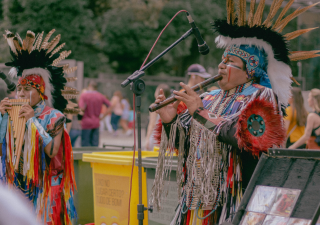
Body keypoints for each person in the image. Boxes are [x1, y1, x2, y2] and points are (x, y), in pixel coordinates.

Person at [149, 1, 319, 224]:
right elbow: (188, 142)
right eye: (222, 60)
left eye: (230, 62)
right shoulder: (209, 97)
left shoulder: (263, 97)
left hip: (238, 197)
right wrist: (170, 120)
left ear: (250, 70)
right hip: (199, 197)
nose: (220, 66)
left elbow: (247, 138)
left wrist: (200, 112)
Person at [0, 29, 77, 224]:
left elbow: (52, 152)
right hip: (20, 183)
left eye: (27, 89)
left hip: (46, 185)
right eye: (19, 88)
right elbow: (1, 151)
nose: (20, 94)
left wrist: (33, 122)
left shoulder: (55, 116)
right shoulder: (15, 111)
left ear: (41, 92)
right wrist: (2, 118)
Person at [78, 81, 111, 146]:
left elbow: (81, 108)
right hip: (96, 122)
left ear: (89, 85)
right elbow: (110, 106)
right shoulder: (100, 95)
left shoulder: (84, 95)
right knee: (95, 145)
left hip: (86, 122)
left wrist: (79, 118)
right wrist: (103, 117)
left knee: (85, 145)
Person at [144, 84, 170, 150]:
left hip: (156, 135)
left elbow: (152, 123)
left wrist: (147, 139)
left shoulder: (154, 106)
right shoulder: (170, 106)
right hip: (166, 135)